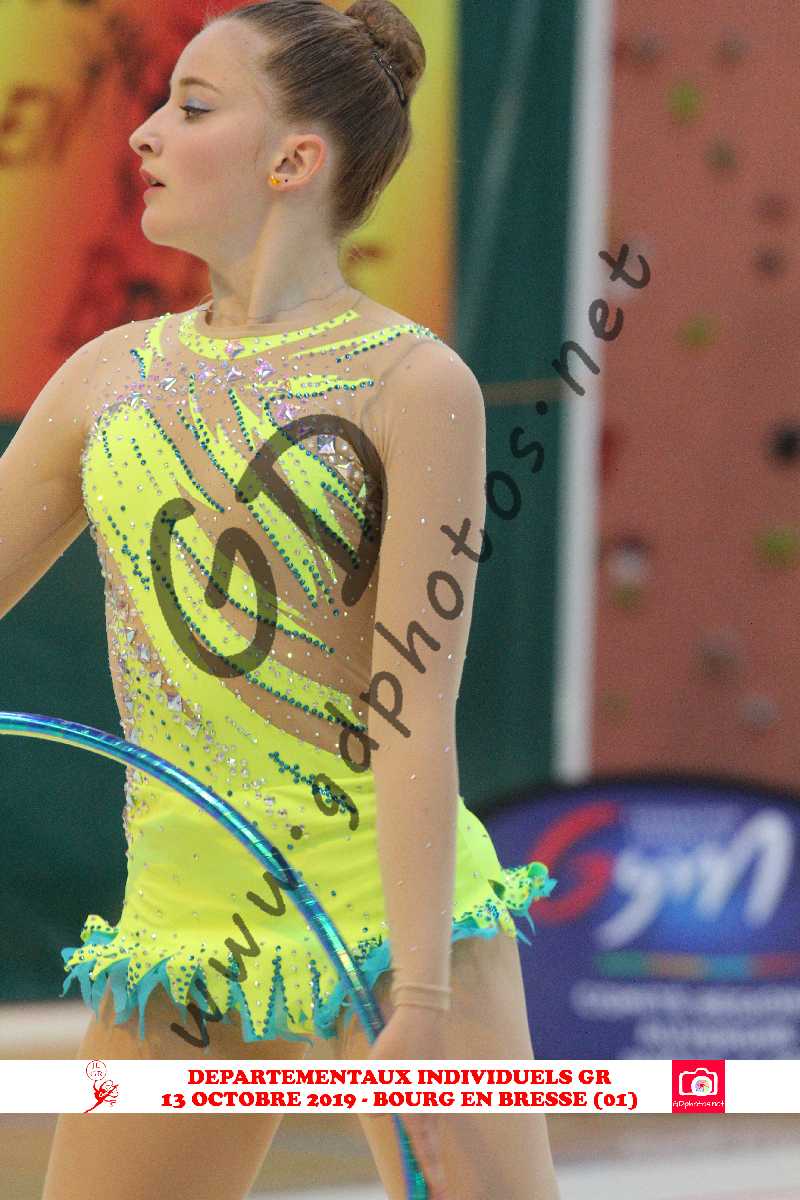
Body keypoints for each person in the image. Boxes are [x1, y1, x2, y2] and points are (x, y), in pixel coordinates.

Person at [0, 1, 560, 1196]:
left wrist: (419, 994)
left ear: (293, 160)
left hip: (386, 906)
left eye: (192, 106)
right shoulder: (106, 377)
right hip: (186, 919)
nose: (144, 132)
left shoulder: (415, 384)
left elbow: (412, 708)